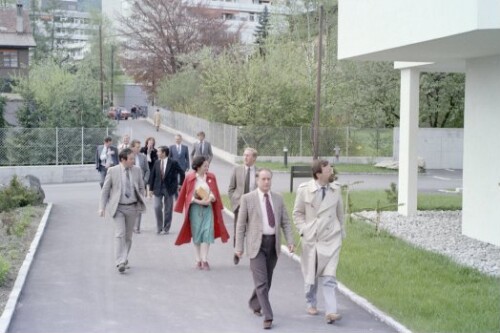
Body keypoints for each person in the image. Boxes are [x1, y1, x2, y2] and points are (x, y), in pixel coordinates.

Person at [235, 168, 294, 330]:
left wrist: (290, 241)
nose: (266, 182)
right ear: (257, 180)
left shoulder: (278, 198)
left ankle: (254, 303)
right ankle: (268, 316)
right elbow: (240, 226)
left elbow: (286, 222)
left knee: (266, 280)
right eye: (263, 179)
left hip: (273, 244)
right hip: (256, 246)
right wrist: (238, 247)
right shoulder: (248, 199)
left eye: (269, 179)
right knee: (262, 282)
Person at [292, 159, 345, 325]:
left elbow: (340, 213)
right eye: (328, 170)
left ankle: (331, 311)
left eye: (331, 169)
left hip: (331, 238)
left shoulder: (336, 190)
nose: (331, 172)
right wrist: (305, 230)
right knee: (312, 274)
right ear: (318, 174)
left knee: (330, 276)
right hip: (313, 239)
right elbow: (297, 214)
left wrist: (341, 232)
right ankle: (311, 302)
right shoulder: (305, 190)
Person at [174, 156, 229, 270]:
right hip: (195, 209)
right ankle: (198, 259)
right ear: (198, 166)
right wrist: (196, 201)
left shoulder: (211, 177)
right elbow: (185, 194)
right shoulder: (190, 177)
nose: (207, 168)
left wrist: (210, 198)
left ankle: (205, 260)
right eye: (205, 166)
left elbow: (215, 192)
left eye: (208, 166)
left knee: (207, 233)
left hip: (208, 209)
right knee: (197, 234)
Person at [98, 148, 146, 273]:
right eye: (131, 159)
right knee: (120, 234)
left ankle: (124, 258)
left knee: (128, 236)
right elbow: (105, 190)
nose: (133, 161)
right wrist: (101, 207)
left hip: (132, 207)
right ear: (123, 159)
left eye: (133, 159)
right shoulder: (112, 171)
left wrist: (140, 198)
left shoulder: (137, 170)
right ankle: (120, 261)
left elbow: (141, 187)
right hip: (118, 207)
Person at [228, 147, 258, 264]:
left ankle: (253, 255)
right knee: (238, 231)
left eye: (248, 155)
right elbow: (231, 189)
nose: (245, 157)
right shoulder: (237, 170)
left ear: (254, 158)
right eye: (244, 155)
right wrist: (235, 201)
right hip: (239, 205)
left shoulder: (258, 172)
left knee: (253, 231)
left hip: (253, 206)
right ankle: (237, 251)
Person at [149, 146, 185, 234]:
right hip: (158, 188)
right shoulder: (157, 162)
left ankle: (166, 228)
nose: (157, 153)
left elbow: (182, 172)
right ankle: (159, 227)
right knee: (157, 207)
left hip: (169, 188)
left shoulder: (173, 163)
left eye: (158, 152)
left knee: (168, 209)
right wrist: (150, 189)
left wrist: (180, 184)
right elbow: (152, 175)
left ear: (164, 153)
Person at [130, 139, 150, 233]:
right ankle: (130, 225)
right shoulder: (128, 157)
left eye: (139, 147)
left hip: (141, 185)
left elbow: (147, 170)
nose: (139, 149)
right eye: (137, 147)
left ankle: (136, 227)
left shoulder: (143, 157)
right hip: (129, 185)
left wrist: (145, 181)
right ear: (132, 147)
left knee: (139, 205)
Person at [169, 134, 190, 199]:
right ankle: (176, 196)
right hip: (174, 167)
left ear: (181, 139)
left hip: (182, 167)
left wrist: (188, 166)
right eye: (176, 139)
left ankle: (181, 195)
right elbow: (169, 157)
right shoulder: (171, 147)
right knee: (175, 181)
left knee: (182, 182)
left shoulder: (185, 147)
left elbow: (187, 158)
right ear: (175, 140)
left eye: (178, 139)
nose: (177, 140)